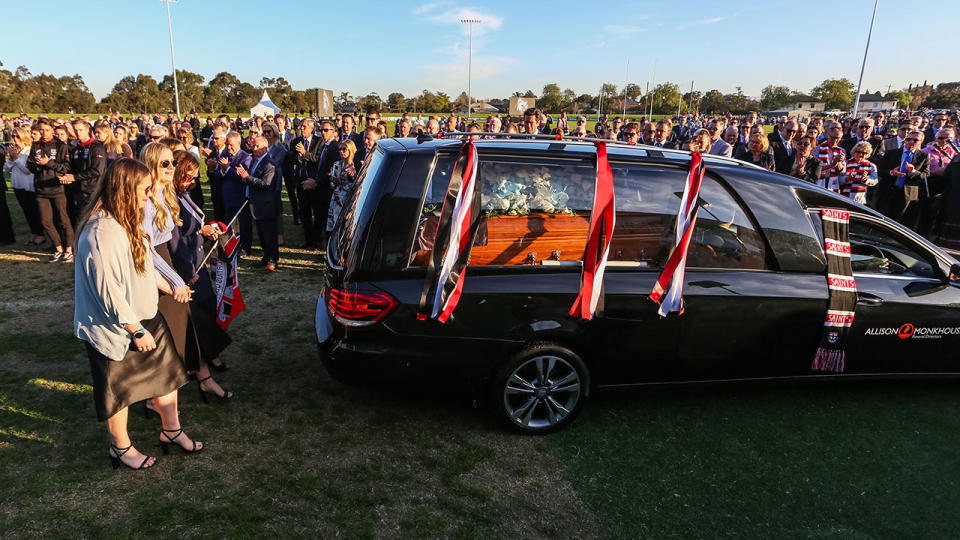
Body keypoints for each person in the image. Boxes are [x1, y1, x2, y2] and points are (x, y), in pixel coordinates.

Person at [74, 158, 200, 470]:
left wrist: (170, 287)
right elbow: (109, 291)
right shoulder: (101, 231)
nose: (149, 195)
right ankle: (122, 448)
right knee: (120, 391)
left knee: (167, 377)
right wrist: (135, 330)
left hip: (145, 316)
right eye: (144, 190)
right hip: (117, 328)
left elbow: (144, 267)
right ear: (126, 190)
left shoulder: (129, 220)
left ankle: (172, 431)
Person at [168, 150, 234, 381]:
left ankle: (209, 354)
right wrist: (188, 272)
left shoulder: (183, 194)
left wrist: (204, 230)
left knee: (207, 308)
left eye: (195, 177)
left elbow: (191, 226)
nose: (193, 182)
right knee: (197, 315)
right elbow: (174, 239)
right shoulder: (170, 199)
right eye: (189, 177)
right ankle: (202, 360)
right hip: (187, 268)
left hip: (196, 261)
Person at [27, 118, 74, 263]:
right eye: (41, 130)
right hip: (41, 189)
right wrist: (38, 165)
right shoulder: (36, 145)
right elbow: (30, 166)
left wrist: (49, 163)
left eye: (47, 130)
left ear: (52, 130)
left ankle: (69, 250)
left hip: (58, 188)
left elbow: (66, 168)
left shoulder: (61, 146)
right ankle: (58, 248)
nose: (44, 133)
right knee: (45, 221)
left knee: (63, 220)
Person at [236, 137, 280, 270]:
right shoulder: (255, 160)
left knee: (269, 234)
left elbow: (265, 184)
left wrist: (246, 177)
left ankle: (272, 259)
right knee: (262, 234)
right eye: (253, 146)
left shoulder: (269, 164)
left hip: (266, 205)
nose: (254, 149)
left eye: (257, 146)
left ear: (265, 148)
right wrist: (244, 177)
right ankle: (266, 257)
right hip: (255, 203)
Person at [5, 127, 46, 246]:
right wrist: (11, 158)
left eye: (17, 136)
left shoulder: (29, 151)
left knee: (34, 210)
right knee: (26, 211)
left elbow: (28, 170)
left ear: (23, 137)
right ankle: (34, 232)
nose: (14, 139)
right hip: (17, 185)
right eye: (13, 136)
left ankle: (40, 234)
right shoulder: (16, 150)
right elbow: (7, 168)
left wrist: (16, 159)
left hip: (28, 185)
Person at [881, 130, 930, 228]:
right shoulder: (891, 153)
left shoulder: (923, 156)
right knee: (885, 220)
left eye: (915, 140)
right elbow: (880, 170)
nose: (911, 141)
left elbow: (926, 174)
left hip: (909, 193)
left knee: (903, 223)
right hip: (889, 190)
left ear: (921, 141)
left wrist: (913, 172)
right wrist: (891, 172)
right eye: (908, 139)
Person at [213, 132, 252, 254]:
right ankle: (232, 245)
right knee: (229, 222)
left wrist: (228, 169)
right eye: (227, 144)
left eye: (231, 145)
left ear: (239, 143)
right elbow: (218, 174)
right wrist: (222, 170)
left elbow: (243, 178)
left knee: (243, 224)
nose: (228, 147)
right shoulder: (224, 155)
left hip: (240, 196)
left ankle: (245, 247)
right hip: (227, 196)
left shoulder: (246, 157)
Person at [327, 140, 357, 235]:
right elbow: (332, 185)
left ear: (350, 150)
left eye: (344, 149)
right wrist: (333, 182)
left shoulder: (354, 166)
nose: (341, 151)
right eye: (340, 149)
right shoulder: (336, 164)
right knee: (333, 225)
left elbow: (354, 186)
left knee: (344, 226)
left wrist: (341, 183)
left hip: (347, 200)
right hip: (336, 198)